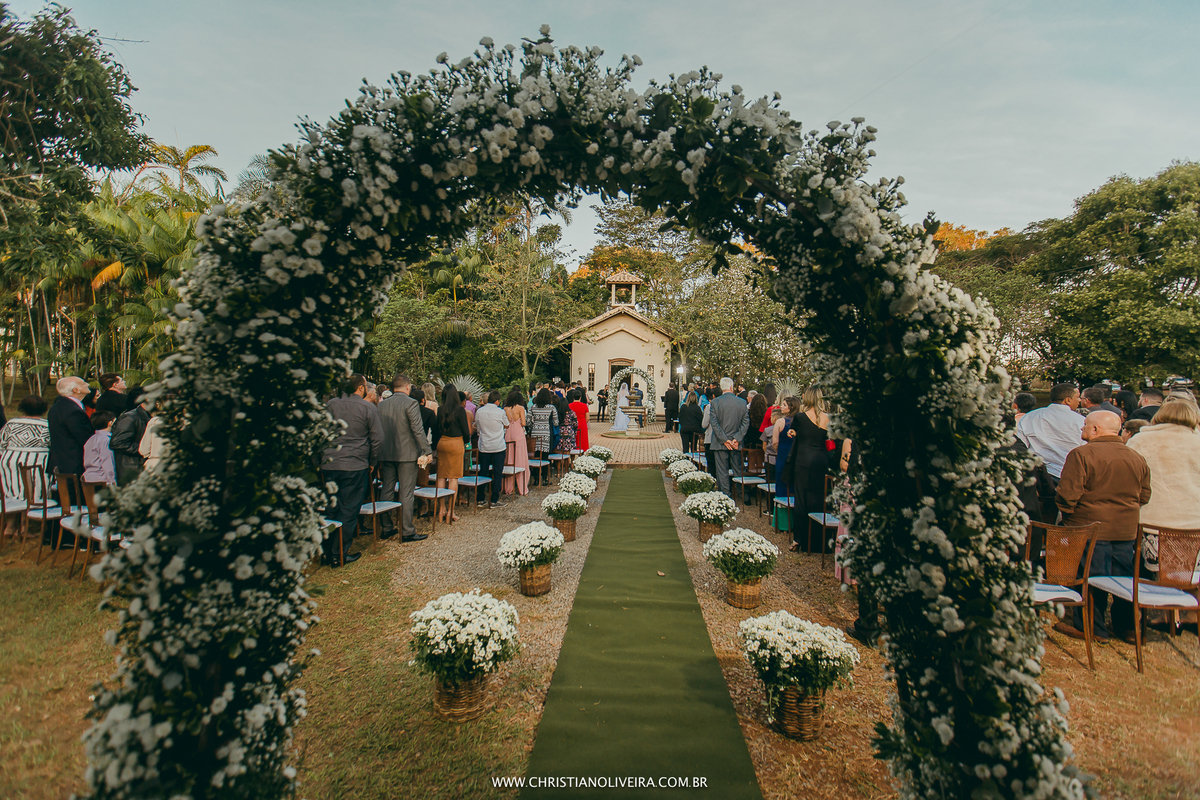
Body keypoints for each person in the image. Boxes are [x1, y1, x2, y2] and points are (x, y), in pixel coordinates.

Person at [1053, 410, 1151, 644]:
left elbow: (1067, 496)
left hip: (1089, 528)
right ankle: (1127, 628)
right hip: (1126, 529)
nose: (1082, 428)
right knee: (1123, 580)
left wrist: (1069, 514)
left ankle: (1093, 627)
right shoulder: (1135, 457)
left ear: (1095, 430)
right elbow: (1145, 495)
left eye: (1085, 424)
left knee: (1090, 577)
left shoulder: (1081, 455)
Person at [1125, 397, 1200, 578]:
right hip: (1194, 522)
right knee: (1190, 578)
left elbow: (1128, 476)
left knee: (1150, 580)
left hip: (1152, 522)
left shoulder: (1140, 440)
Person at [320, 374, 383, 567]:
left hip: (329, 462)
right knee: (348, 510)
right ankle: (339, 553)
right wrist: (372, 461)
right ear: (361, 387)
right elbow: (377, 438)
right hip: (354, 463)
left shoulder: (330, 405)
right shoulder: (367, 407)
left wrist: (319, 459)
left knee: (331, 508)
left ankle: (326, 552)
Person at [376, 374, 433, 543]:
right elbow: (417, 429)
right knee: (406, 493)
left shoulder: (382, 405)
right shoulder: (411, 403)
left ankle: (387, 527)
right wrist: (427, 449)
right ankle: (407, 531)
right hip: (407, 454)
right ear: (407, 387)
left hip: (386, 453)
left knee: (386, 489)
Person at [783, 387, 832, 553]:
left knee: (801, 500)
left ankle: (800, 539)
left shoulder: (801, 417)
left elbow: (795, 432)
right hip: (822, 460)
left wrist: (792, 432)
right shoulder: (829, 419)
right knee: (819, 498)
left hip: (803, 460)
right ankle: (819, 541)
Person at [1015, 383, 1085, 482]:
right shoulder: (1081, 421)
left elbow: (1022, 446)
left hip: (1037, 474)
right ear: (1068, 400)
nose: (1080, 401)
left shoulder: (1030, 417)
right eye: (1078, 397)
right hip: (1067, 473)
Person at [0, 394, 50, 515]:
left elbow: (2, 443)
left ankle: (12, 525)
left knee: (13, 493)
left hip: (11, 461)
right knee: (34, 494)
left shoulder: (11, 424)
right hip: (37, 462)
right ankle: (27, 524)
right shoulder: (47, 425)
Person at [48, 376, 94, 494]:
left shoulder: (58, 406)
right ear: (76, 390)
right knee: (74, 498)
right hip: (73, 461)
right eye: (83, 383)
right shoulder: (72, 410)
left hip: (61, 459)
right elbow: (85, 437)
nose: (87, 385)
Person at [433, 384, 472, 524]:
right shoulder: (460, 410)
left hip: (442, 442)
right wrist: (465, 442)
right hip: (456, 443)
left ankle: (441, 508)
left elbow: (437, 430)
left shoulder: (440, 409)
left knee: (441, 476)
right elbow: (466, 431)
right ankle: (451, 511)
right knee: (454, 478)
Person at [708, 377, 750, 497]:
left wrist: (725, 440)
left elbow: (714, 424)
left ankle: (725, 495)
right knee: (738, 469)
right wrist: (736, 439)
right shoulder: (742, 402)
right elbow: (745, 422)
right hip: (735, 442)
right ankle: (742, 494)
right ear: (731, 387)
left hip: (720, 442)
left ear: (721, 388)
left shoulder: (715, 402)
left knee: (722, 471)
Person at [473, 390, 509, 508]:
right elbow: (507, 424)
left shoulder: (479, 411)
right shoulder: (500, 412)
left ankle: (480, 498)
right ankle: (494, 499)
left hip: (484, 445)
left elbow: (477, 427)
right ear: (497, 401)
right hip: (498, 445)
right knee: (498, 473)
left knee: (483, 472)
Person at [110, 388, 151, 484]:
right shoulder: (130, 417)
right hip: (133, 469)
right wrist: (144, 449)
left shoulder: (149, 417)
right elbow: (117, 443)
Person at [772, 397, 800, 528]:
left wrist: (780, 450)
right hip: (796, 457)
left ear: (791, 407)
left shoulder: (780, 422)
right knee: (794, 487)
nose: (781, 407)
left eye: (784, 405)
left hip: (783, 456)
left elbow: (774, 442)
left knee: (781, 487)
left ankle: (782, 523)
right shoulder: (801, 422)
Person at [503, 389, 530, 495]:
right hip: (518, 433)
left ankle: (508, 488)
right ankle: (522, 487)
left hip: (508, 433)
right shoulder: (520, 408)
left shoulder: (505, 408)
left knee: (509, 458)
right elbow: (523, 422)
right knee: (520, 459)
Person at [529, 388, 559, 485]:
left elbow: (528, 421)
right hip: (546, 433)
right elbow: (556, 422)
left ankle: (536, 478)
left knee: (536, 456)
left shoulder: (533, 407)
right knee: (545, 456)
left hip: (535, 432)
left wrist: (533, 426)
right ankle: (545, 478)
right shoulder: (551, 408)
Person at [82, 410, 117, 485]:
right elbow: (107, 462)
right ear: (110, 423)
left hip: (88, 478)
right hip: (101, 480)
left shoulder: (91, 439)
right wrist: (112, 481)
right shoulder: (105, 440)